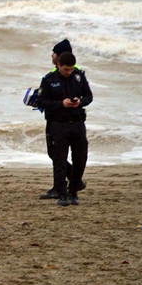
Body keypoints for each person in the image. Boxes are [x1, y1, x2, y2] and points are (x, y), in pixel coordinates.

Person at [35, 51, 92, 206]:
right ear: (58, 65)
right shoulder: (49, 80)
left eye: (71, 69)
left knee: (80, 158)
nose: (69, 72)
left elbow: (89, 96)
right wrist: (61, 103)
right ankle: (62, 194)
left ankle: (73, 192)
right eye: (66, 69)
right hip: (59, 124)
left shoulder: (79, 77)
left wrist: (79, 102)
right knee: (59, 160)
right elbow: (41, 102)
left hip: (78, 122)